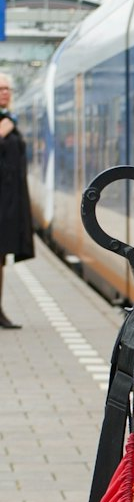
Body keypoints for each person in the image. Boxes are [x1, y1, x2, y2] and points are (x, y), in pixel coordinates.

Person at [0, 72, 35, 330]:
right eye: (0, 88)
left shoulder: (8, 119)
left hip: (8, 201)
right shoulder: (4, 123)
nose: (5, 92)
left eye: (8, 88)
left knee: (0, 259)